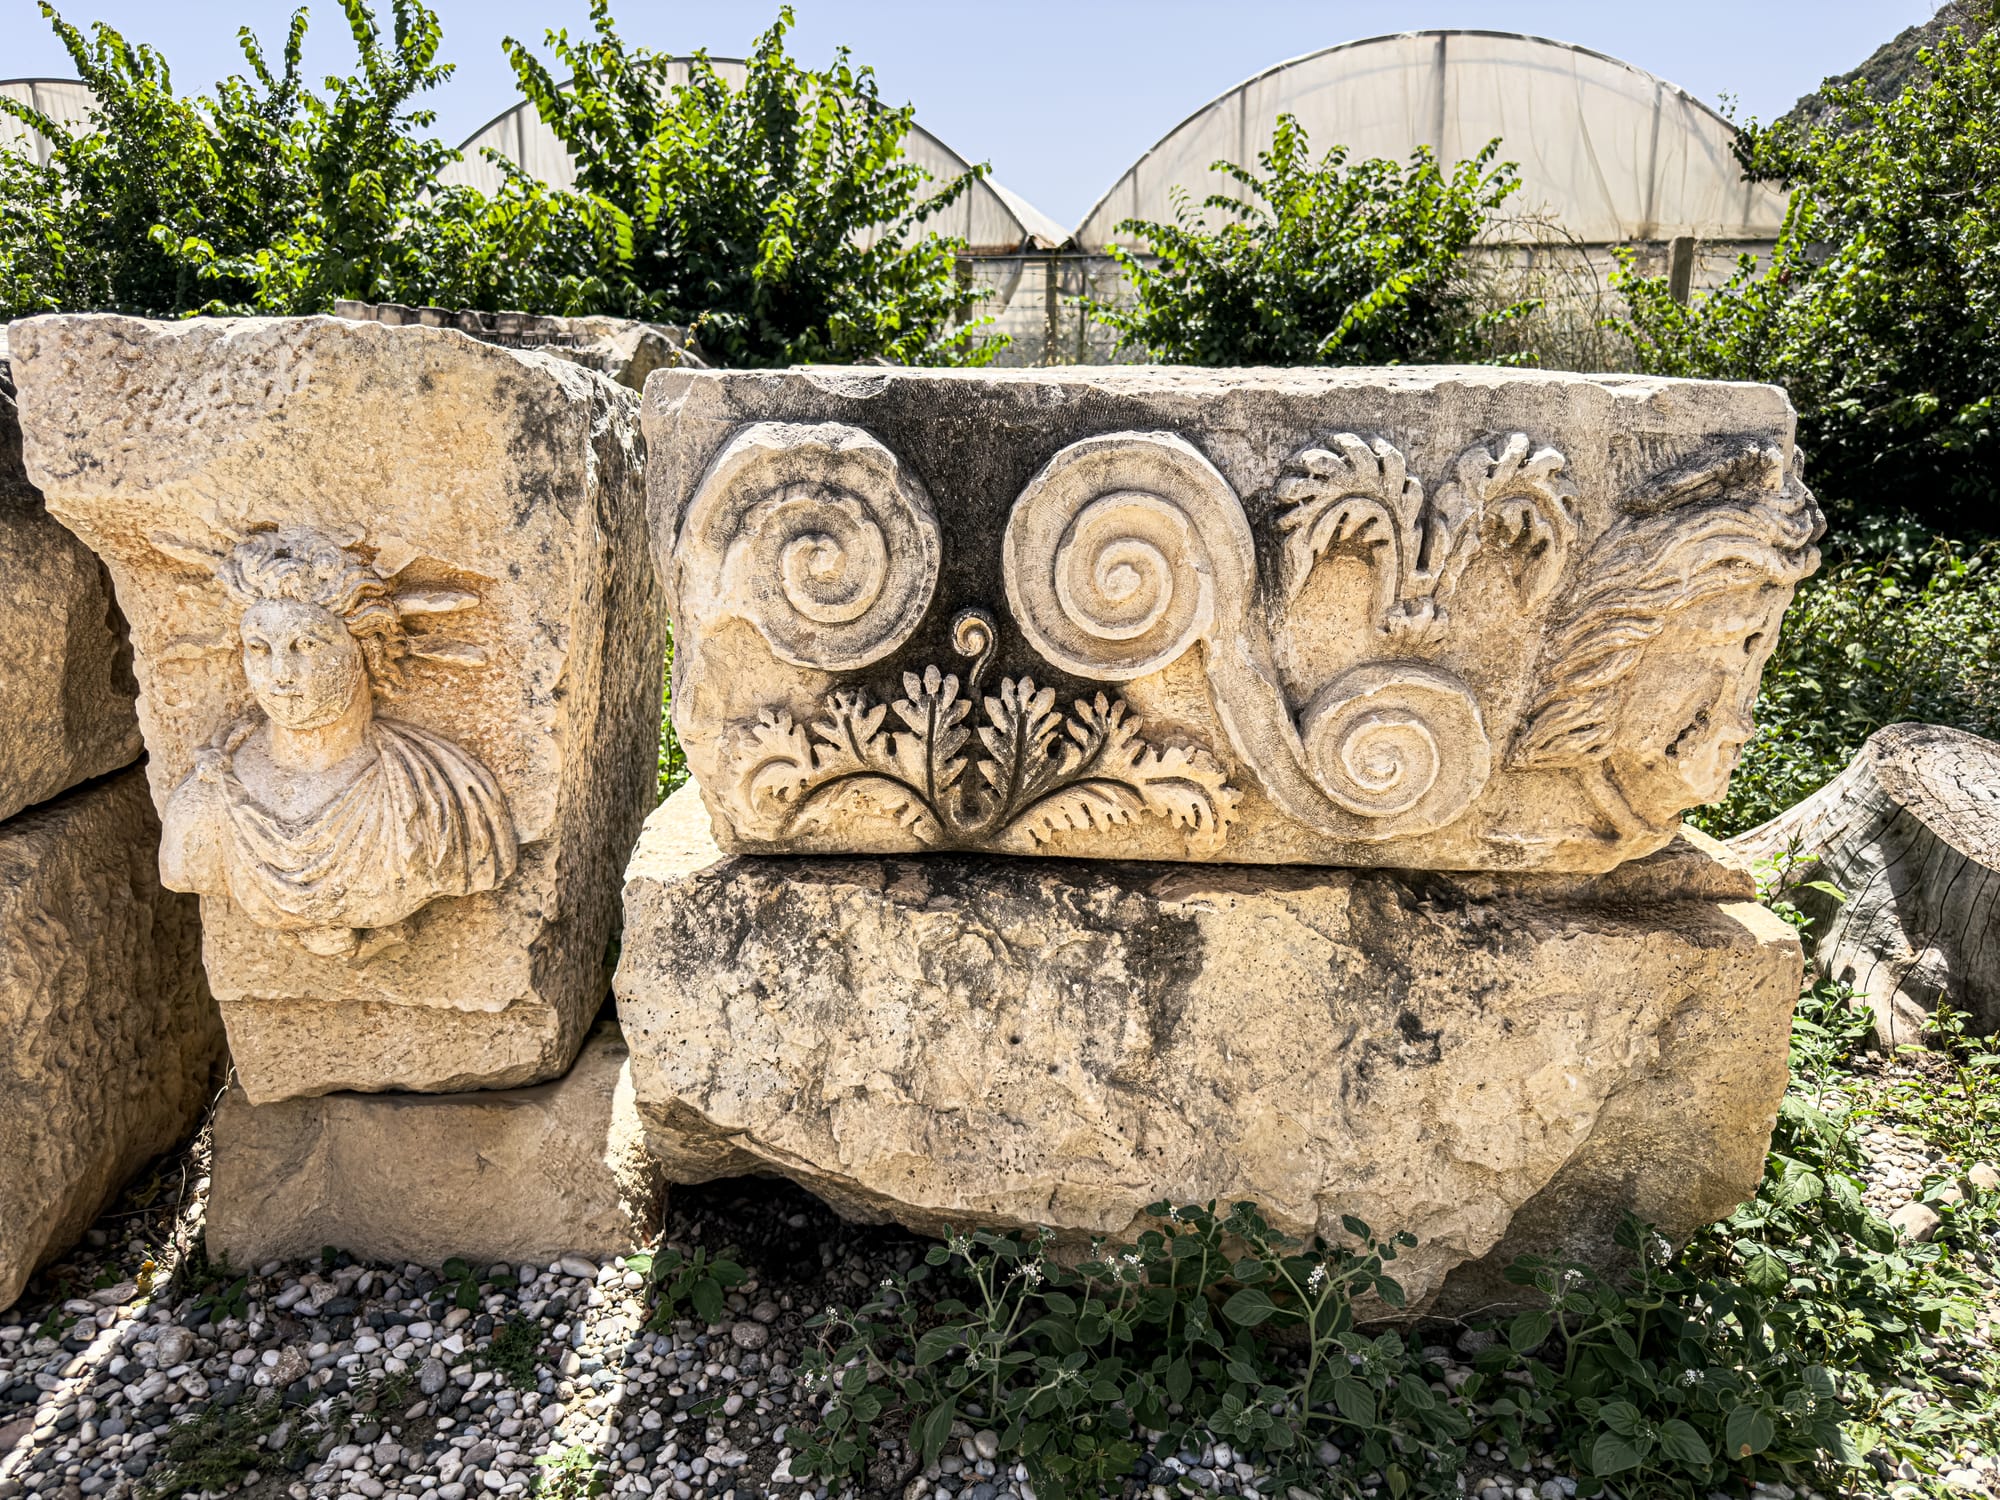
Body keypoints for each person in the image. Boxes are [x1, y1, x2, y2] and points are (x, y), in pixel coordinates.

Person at [160, 527, 517, 960]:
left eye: (306, 644)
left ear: (368, 649)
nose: (280, 674)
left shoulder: (445, 789)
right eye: (259, 647)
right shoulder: (205, 801)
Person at [1509, 442, 1823, 839]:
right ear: (1616, 635)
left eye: (1755, 655)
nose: (1742, 725)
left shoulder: (1627, 821)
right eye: (1725, 644)